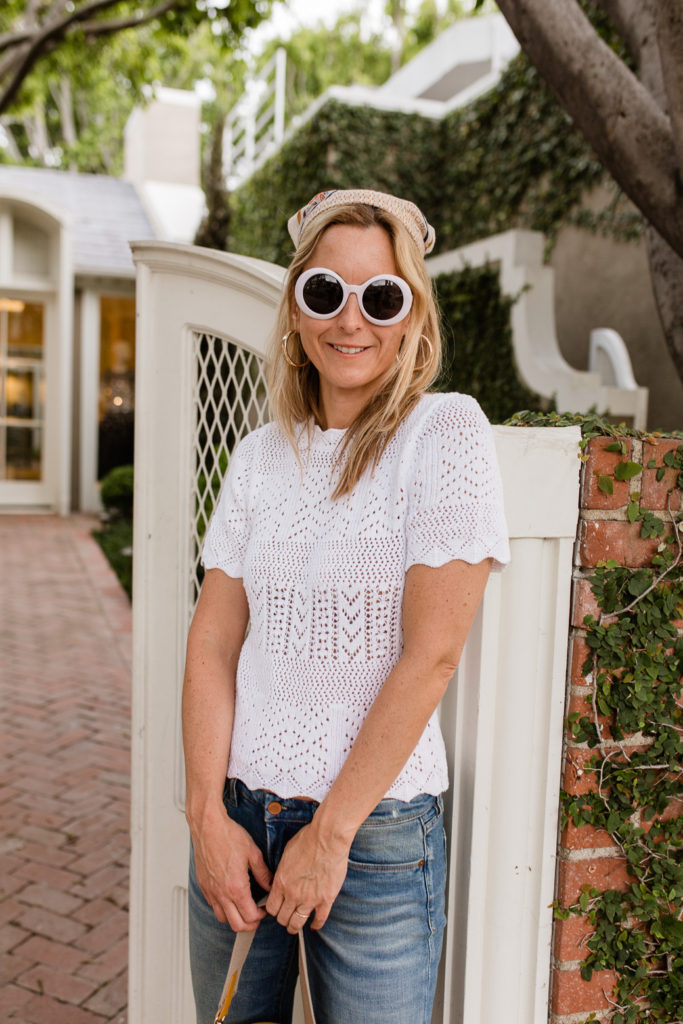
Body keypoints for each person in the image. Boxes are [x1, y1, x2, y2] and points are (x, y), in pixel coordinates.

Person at [182, 188, 510, 1024]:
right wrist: (205, 818)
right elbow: (214, 641)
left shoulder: (446, 434)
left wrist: (328, 837)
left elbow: (430, 654)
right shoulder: (259, 456)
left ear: (411, 316)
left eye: (381, 296)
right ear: (296, 309)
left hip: (373, 840)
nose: (350, 319)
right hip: (238, 820)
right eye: (325, 291)